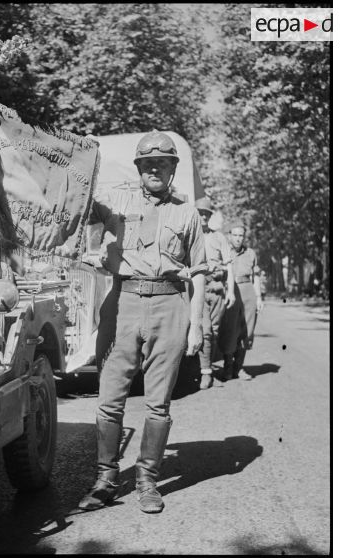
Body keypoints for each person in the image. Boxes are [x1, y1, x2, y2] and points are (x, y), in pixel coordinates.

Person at [78, 131, 207, 514]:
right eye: (147, 163)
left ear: (172, 170)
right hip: (124, 302)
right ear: (138, 168)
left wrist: (196, 323)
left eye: (163, 163)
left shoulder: (187, 213)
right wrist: (82, 156)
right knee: (109, 397)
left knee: (158, 403)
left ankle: (147, 480)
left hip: (170, 304)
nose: (154, 168)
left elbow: (198, 272)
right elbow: (79, 202)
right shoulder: (115, 202)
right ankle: (105, 479)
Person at [195, 197, 235, 390]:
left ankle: (206, 367)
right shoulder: (189, 236)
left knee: (215, 331)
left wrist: (232, 291)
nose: (203, 216)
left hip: (218, 289)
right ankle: (205, 373)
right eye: (200, 212)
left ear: (210, 216)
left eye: (206, 213)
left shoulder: (219, 237)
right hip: (198, 289)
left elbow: (229, 264)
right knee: (205, 331)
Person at [218, 220, 263, 381]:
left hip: (247, 290)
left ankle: (239, 367)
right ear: (229, 236)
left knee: (247, 330)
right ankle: (228, 367)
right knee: (230, 330)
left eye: (241, 235)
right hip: (230, 291)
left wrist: (258, 297)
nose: (238, 238)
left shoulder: (250, 253)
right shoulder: (223, 251)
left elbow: (256, 276)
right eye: (235, 235)